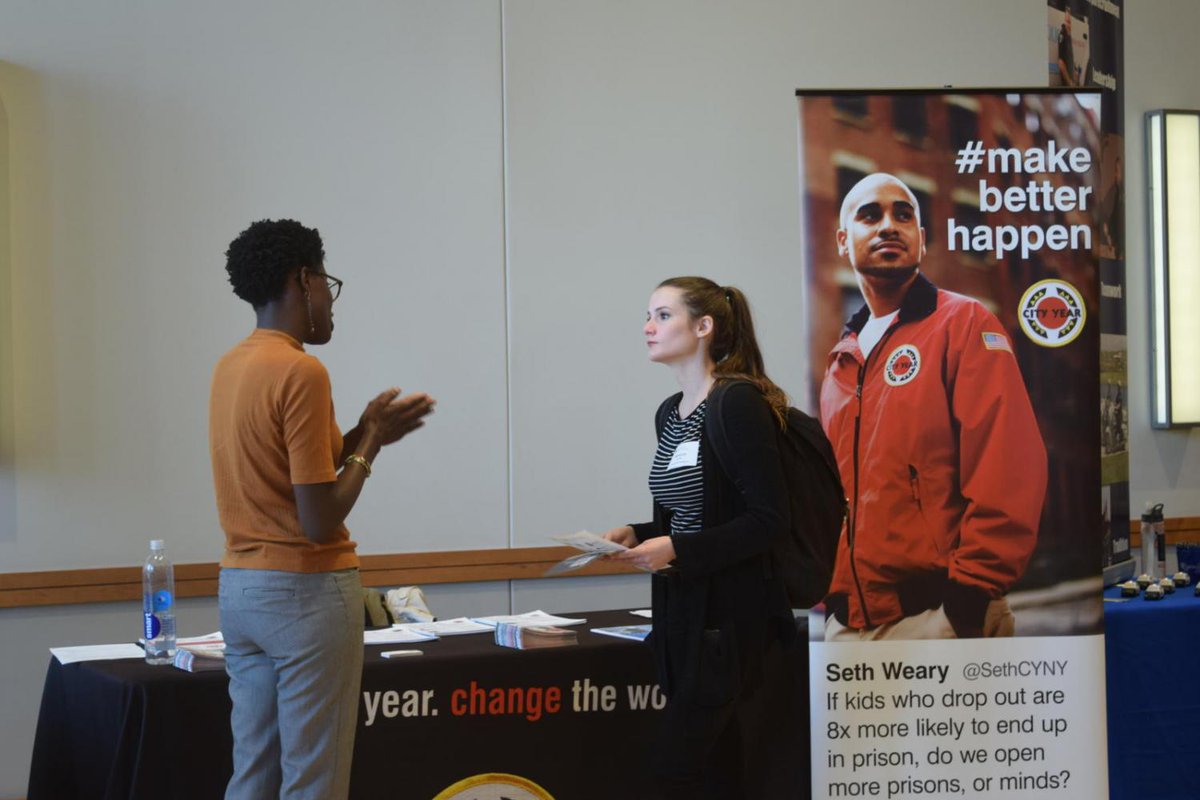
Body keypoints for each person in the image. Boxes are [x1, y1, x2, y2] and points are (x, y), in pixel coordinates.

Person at [209, 219, 434, 799]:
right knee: (315, 781)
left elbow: (295, 467)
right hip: (304, 596)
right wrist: (372, 447)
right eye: (325, 286)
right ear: (301, 279)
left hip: (241, 589)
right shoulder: (300, 369)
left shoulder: (232, 366)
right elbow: (318, 518)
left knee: (252, 773)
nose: (329, 303)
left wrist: (363, 430)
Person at [820, 174, 1047, 641]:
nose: (889, 225)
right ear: (844, 240)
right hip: (850, 622)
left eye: (903, 215)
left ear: (921, 240)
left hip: (939, 616)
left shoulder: (963, 323)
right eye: (870, 215)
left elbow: (1007, 463)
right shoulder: (842, 359)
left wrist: (969, 598)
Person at [603, 277, 800, 799]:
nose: (648, 327)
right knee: (718, 768)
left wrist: (676, 549)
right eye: (648, 316)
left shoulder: (736, 403)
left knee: (670, 771)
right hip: (682, 614)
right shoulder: (671, 412)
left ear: (704, 327)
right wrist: (641, 532)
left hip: (727, 622)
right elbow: (699, 510)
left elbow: (768, 519)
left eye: (663, 316)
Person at [1057, 10, 1078, 87]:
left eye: (1070, 22)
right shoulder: (1062, 35)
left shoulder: (1069, 36)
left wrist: (1075, 72)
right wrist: (1069, 82)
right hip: (1066, 84)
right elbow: (1061, 62)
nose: (1068, 24)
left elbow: (1070, 58)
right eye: (1067, 21)